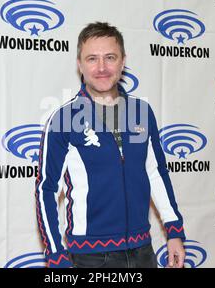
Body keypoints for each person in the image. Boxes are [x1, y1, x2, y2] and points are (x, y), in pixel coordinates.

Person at [35, 22, 185, 268]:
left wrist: (174, 230)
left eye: (110, 57)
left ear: (123, 62)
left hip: (142, 251)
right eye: (92, 58)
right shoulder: (64, 119)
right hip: (90, 257)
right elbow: (47, 189)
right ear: (80, 65)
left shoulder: (141, 112)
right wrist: (55, 254)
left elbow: (155, 173)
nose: (102, 67)